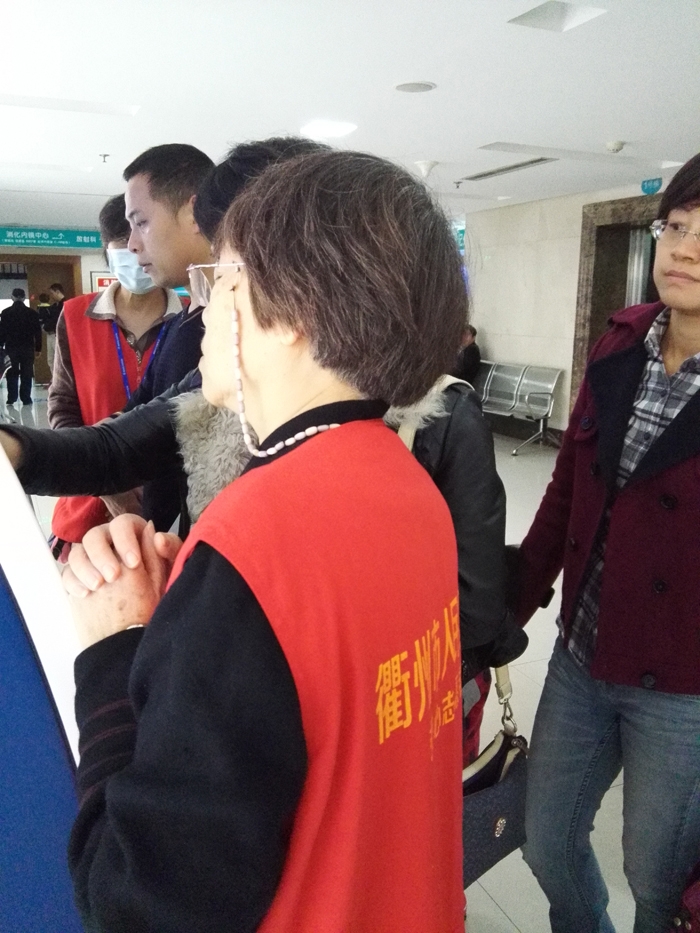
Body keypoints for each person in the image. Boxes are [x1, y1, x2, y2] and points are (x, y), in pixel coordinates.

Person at [57, 150, 467, 932]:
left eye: (224, 279)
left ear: (293, 314)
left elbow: (136, 898)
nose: (204, 310)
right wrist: (189, 626)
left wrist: (114, 646)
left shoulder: (252, 543)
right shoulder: (407, 485)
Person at [515, 152, 700, 932]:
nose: (685, 249)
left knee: (658, 879)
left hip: (683, 681)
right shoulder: (620, 342)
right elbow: (568, 486)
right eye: (678, 226)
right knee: (546, 841)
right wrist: (511, 602)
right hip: (582, 651)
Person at [47, 194, 183, 555]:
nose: (136, 255)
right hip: (89, 501)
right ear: (108, 253)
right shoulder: (76, 316)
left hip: (170, 506)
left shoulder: (191, 318)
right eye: (124, 248)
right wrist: (104, 480)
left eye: (144, 239)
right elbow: (62, 406)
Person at [0, 288, 42, 406]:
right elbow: (37, 332)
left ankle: (11, 398)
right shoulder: (32, 313)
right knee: (27, 372)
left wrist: (1, 345)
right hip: (27, 347)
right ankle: (26, 398)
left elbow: (2, 331)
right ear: (24, 298)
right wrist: (38, 348)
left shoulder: (5, 313)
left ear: (12, 297)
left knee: (11, 372)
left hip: (11, 347)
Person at [40, 283, 65, 374]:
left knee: (60, 360)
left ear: (57, 291)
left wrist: (46, 326)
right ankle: (54, 379)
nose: (51, 296)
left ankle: (61, 380)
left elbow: (57, 320)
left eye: (52, 293)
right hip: (50, 334)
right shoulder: (53, 306)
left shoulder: (65, 305)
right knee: (51, 360)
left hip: (59, 335)